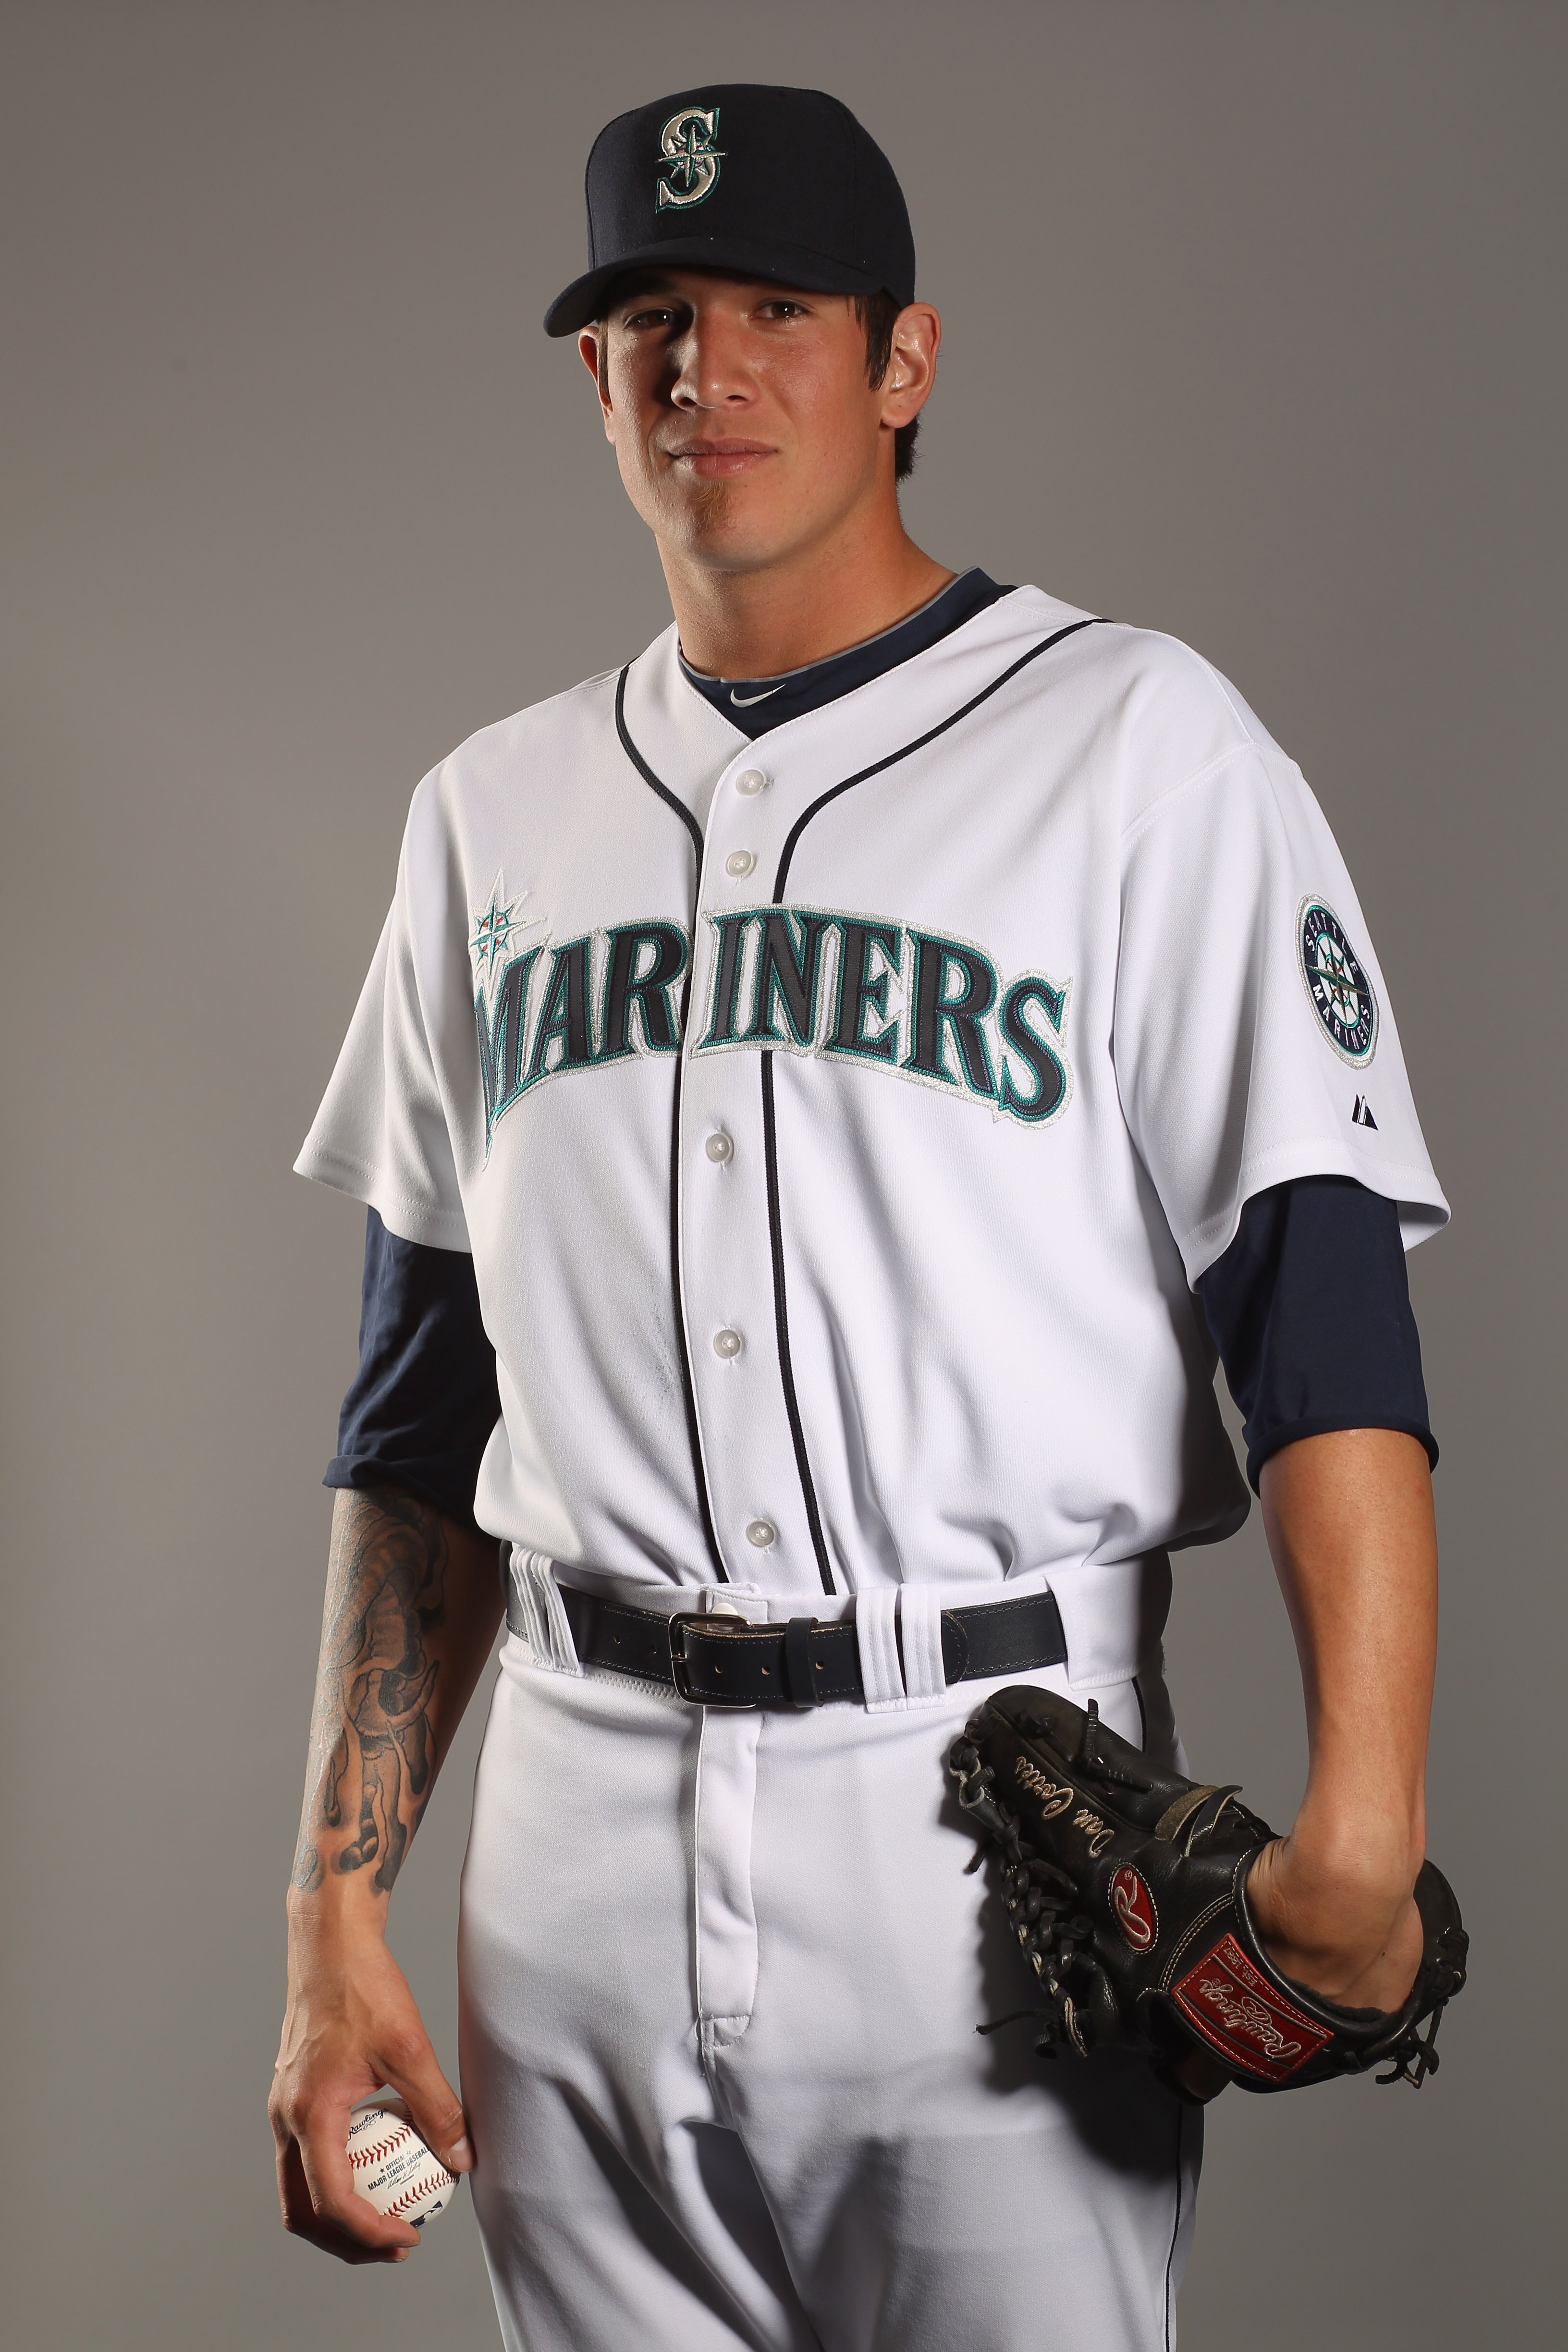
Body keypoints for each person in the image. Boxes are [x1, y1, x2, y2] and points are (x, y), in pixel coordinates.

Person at [269, 83, 1446, 2351]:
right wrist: (331, 1933)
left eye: (775, 309)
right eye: (649, 318)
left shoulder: (1140, 745)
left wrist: (1364, 1815)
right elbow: (420, 1423)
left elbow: (1320, 1325)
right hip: (574, 1848)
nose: (706, 368)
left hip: (990, 1813)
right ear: (591, 376)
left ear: (904, 361)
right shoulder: (488, 816)